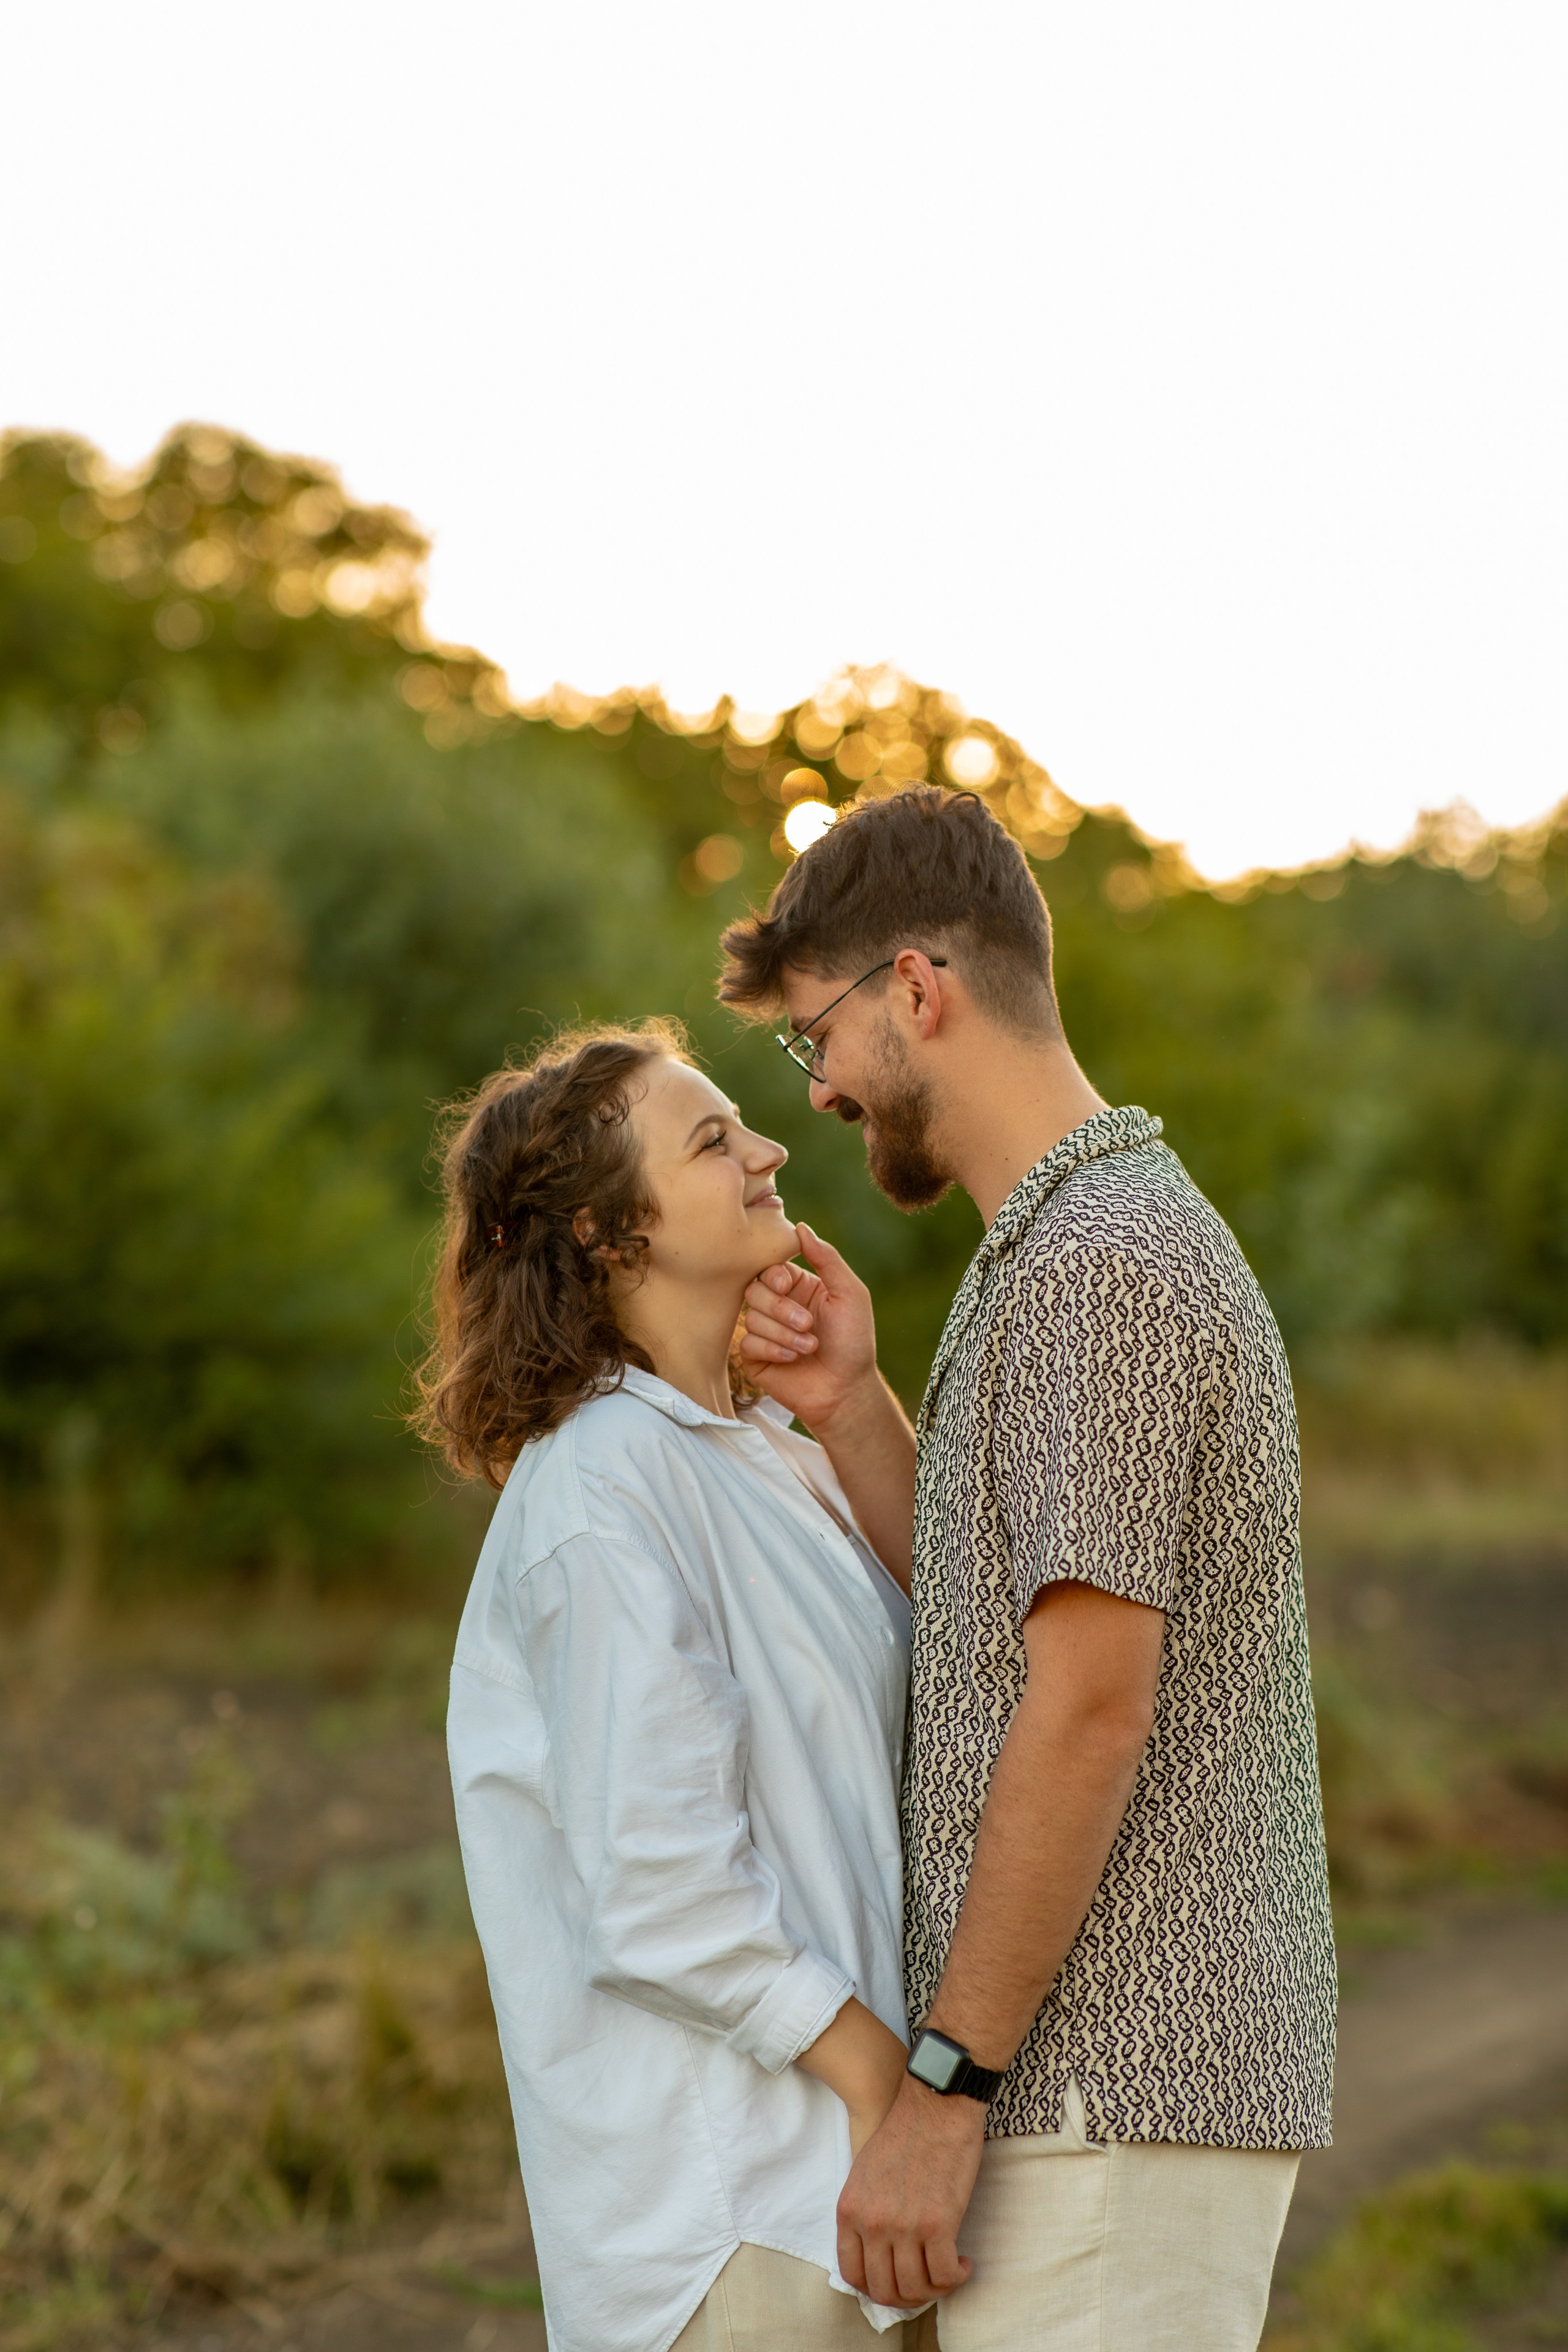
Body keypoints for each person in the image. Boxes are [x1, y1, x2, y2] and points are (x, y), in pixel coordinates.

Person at [718, 786, 1336, 2352]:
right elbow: (1013, 1634)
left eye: (817, 1040)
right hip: (1085, 2098)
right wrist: (856, 1411)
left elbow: (1082, 1713)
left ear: (914, 990)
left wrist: (942, 2089)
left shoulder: (1098, 1267)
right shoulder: (1069, 1245)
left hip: (1107, 2090)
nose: (826, 1092)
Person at [413, 1020, 938, 2352]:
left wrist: (853, 1400)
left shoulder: (761, 1450)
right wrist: (890, 2088)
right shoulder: (601, 1489)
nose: (770, 1147)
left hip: (850, 2193)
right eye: (713, 1141)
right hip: (734, 2222)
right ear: (606, 1232)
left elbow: (963, 1663)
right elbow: (654, 1888)